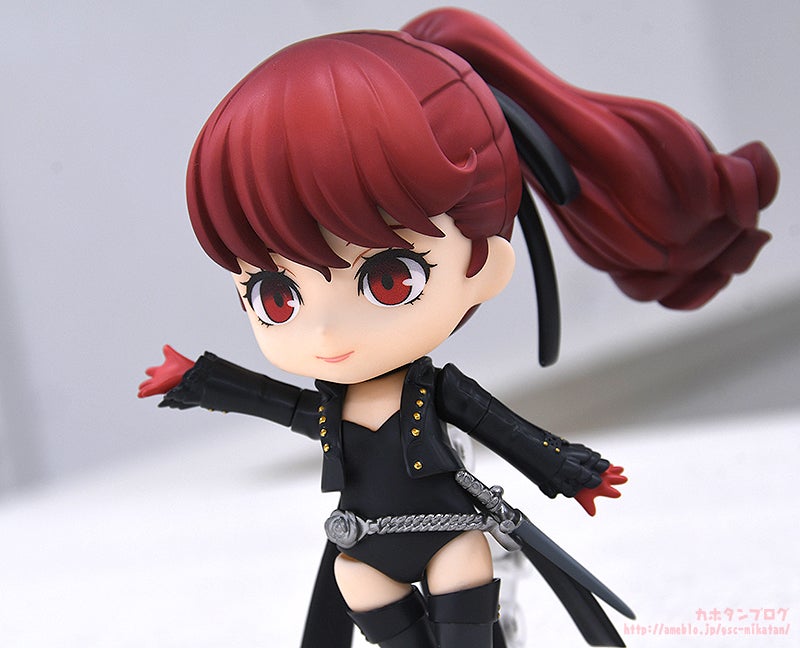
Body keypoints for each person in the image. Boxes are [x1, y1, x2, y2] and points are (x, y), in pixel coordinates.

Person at [139, 8, 777, 647]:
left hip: (449, 534)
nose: (326, 332)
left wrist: (571, 471)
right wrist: (199, 381)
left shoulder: (437, 392)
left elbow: (509, 430)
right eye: (277, 297)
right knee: (354, 580)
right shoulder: (330, 410)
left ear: (483, 266)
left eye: (389, 280)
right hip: (365, 548)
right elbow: (274, 404)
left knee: (461, 580)